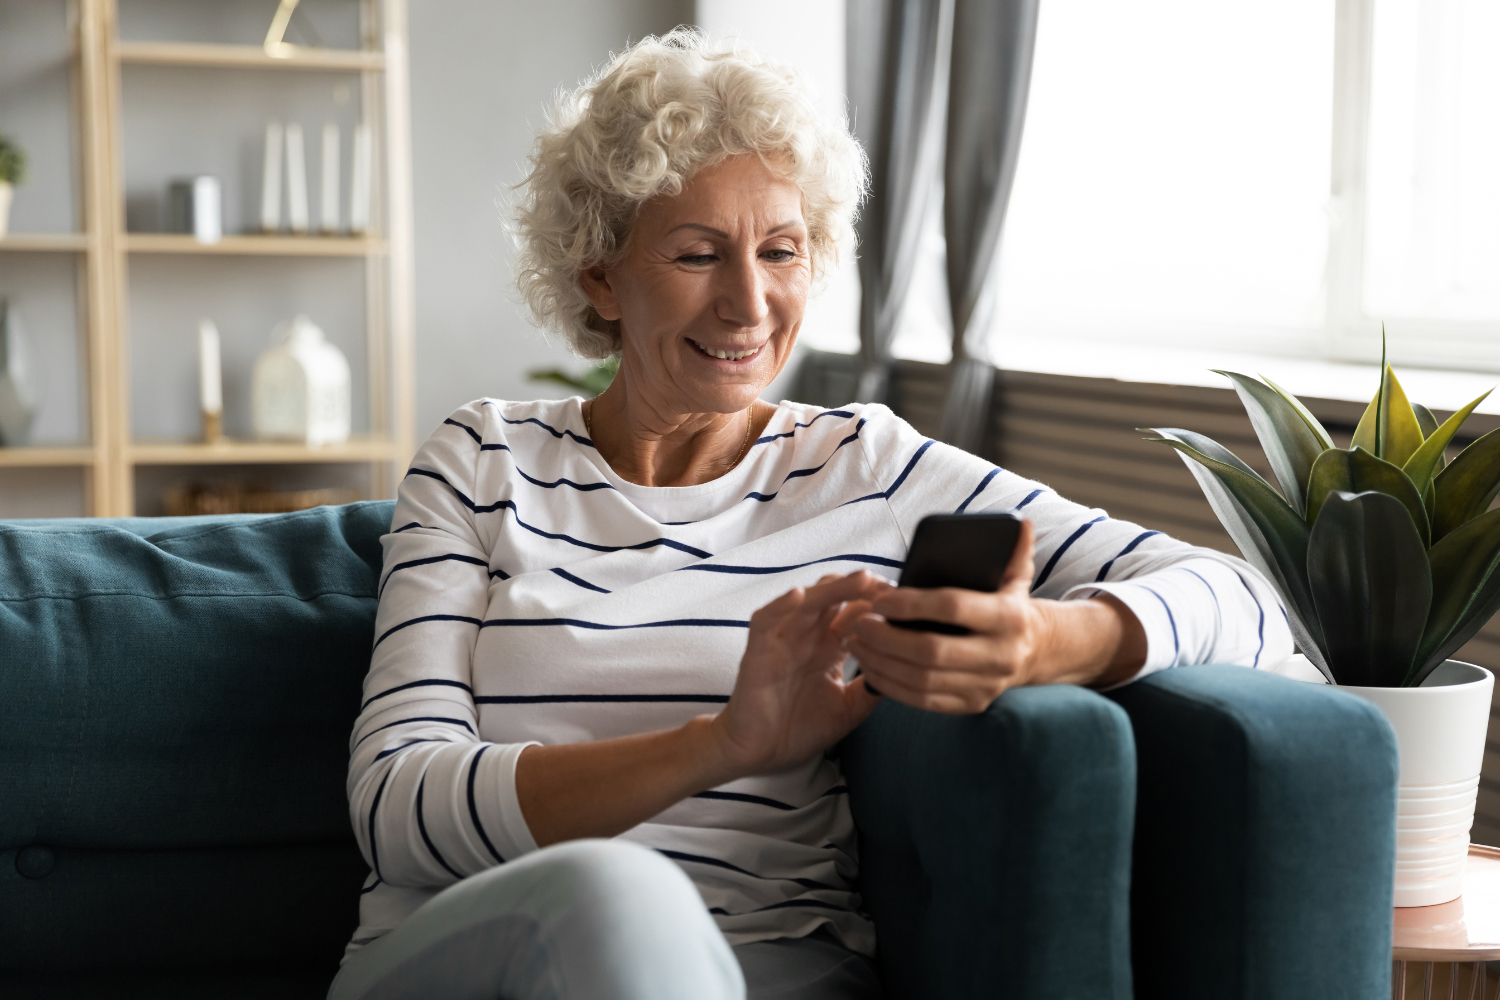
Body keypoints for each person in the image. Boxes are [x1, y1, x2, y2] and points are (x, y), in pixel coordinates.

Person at [329, 28, 1291, 1000]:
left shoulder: (862, 466)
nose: (750, 303)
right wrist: (721, 744)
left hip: (769, 969)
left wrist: (1047, 641)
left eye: (782, 250)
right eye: (699, 253)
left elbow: (1249, 601)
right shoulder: (482, 458)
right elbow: (398, 804)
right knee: (616, 893)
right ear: (599, 275)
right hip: (474, 961)